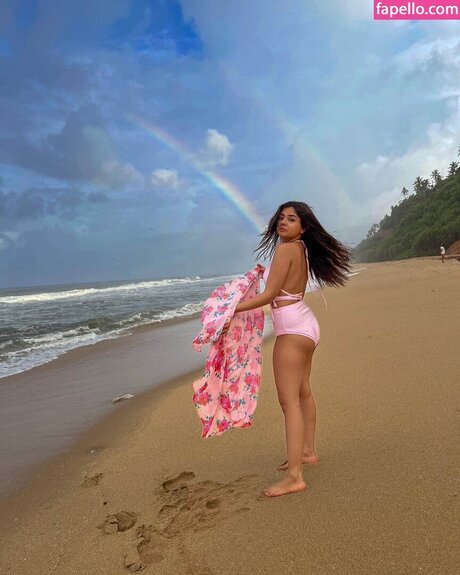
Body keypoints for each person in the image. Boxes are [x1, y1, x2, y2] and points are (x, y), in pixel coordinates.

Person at [222, 201, 352, 497]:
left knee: (288, 402)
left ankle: (295, 476)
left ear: (302, 227)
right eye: (281, 217)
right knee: (303, 391)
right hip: (305, 324)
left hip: (292, 329)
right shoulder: (301, 249)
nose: (283, 222)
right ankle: (307, 451)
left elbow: (270, 295)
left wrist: (232, 310)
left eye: (292, 219)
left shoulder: (285, 250)